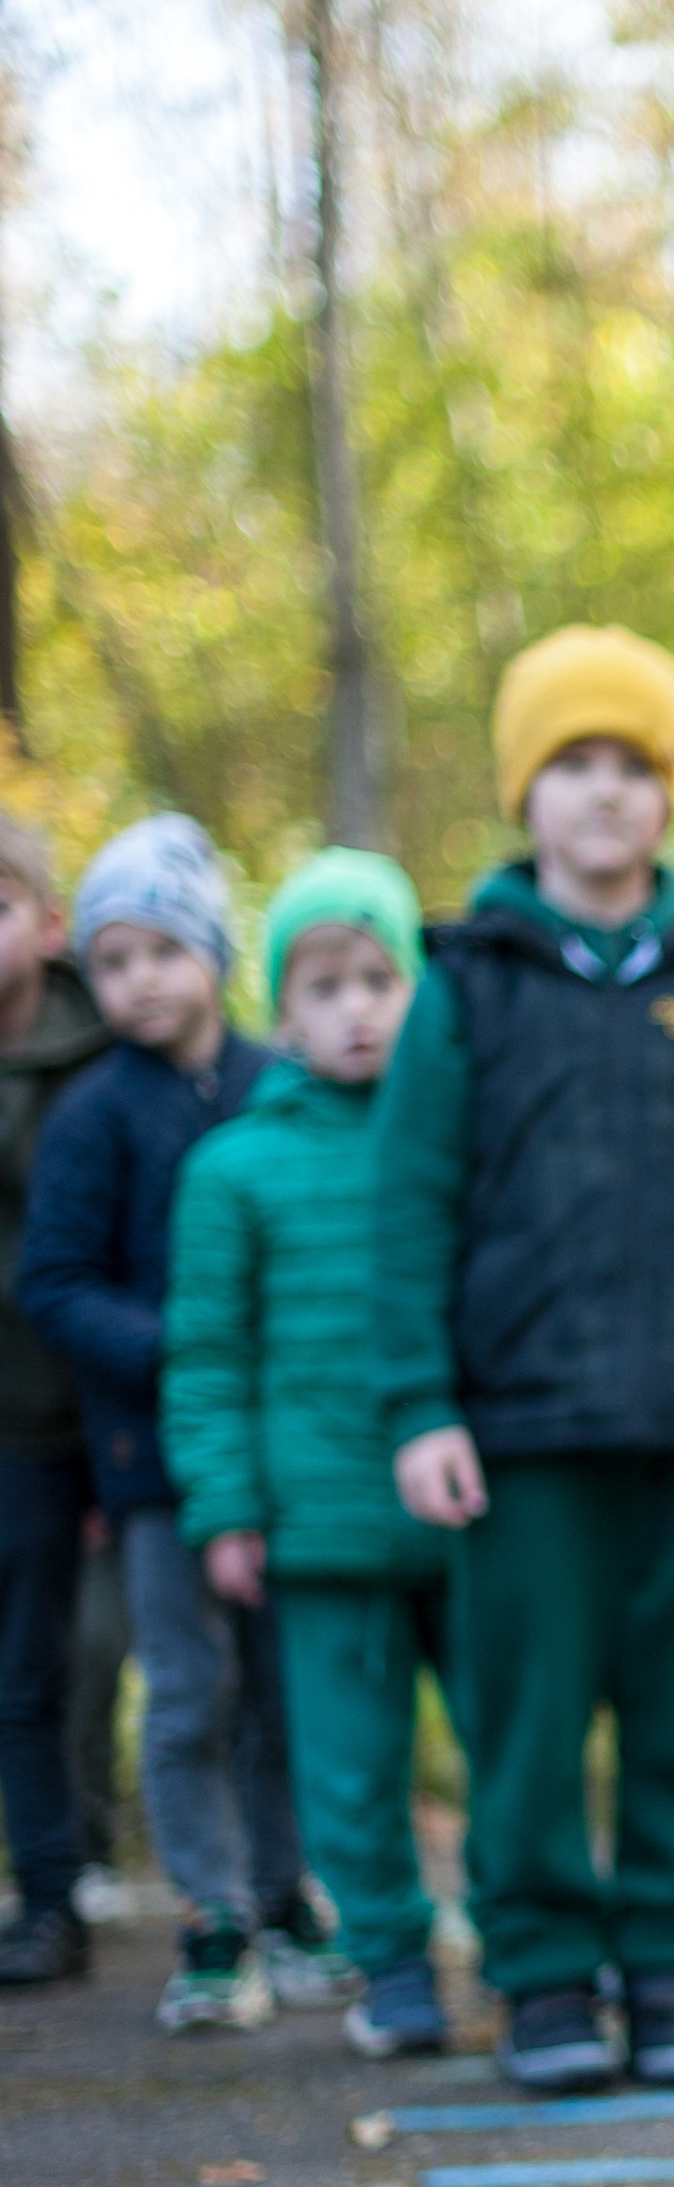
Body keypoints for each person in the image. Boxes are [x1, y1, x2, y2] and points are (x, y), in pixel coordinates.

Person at [374, 626, 674, 2095]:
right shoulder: (467, 980)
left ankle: (667, 1964)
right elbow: (410, 1203)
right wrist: (418, 1402)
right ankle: (539, 1978)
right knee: (525, 1716)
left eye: (633, 766)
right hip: (520, 1428)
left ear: (670, 794)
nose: (603, 796)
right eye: (571, 765)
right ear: (527, 793)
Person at [19, 814, 357, 2031]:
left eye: (160, 950)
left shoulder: (283, 1084)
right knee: (186, 1689)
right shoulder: (96, 1115)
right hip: (153, 1462)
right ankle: (209, 1917)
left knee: (283, 1684)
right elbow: (52, 1281)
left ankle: (287, 1897)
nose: (138, 981)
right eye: (109, 961)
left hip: (291, 1457)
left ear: (212, 952)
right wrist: (183, 1346)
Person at [162, 849, 458, 2059]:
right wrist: (226, 1509)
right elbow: (206, 1357)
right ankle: (391, 1962)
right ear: (282, 1008)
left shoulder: (462, 1142)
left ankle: (531, 1942)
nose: (356, 1007)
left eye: (381, 979)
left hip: (465, 1511)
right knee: (346, 1764)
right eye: (325, 985)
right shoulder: (233, 1168)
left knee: (510, 1736)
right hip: (317, 1522)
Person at [0, 805, 111, 1985]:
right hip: (16, 1422)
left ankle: (246, 1895)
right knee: (25, 1666)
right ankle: (47, 1892)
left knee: (163, 1654)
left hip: (124, 1399)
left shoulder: (109, 1045)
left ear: (45, 921)